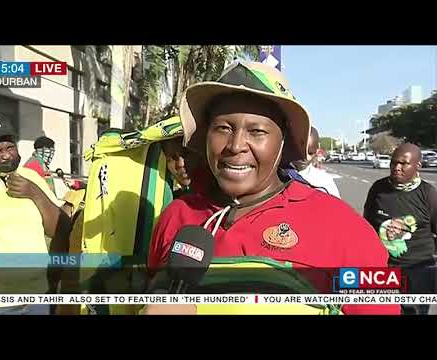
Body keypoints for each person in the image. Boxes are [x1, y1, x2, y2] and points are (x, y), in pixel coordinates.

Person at [146, 61, 400, 315]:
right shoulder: (176, 216)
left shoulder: (345, 229)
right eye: (223, 128)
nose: (235, 146)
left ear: (283, 143)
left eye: (256, 131)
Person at [0, 114, 71, 315]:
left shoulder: (31, 176)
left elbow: (59, 229)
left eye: (10, 147)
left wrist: (35, 193)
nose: (6, 155)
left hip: (35, 297)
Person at [364, 143, 437, 315]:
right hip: (384, 269)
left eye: (404, 163)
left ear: (418, 166)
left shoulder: (428, 194)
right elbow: (367, 226)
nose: (396, 167)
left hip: (418, 270)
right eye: (393, 162)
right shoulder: (378, 189)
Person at [286, 127, 341, 198]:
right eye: (300, 152)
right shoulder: (276, 177)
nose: (305, 158)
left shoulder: (325, 181)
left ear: (316, 151)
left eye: (310, 153)